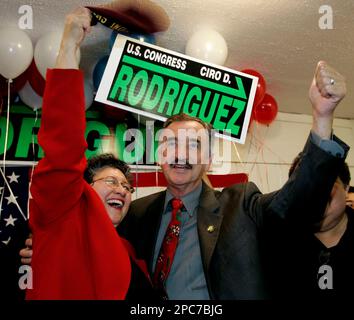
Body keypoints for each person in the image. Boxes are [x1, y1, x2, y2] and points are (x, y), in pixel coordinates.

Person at [21, 8, 350, 300]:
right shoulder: (133, 216)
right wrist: (37, 250)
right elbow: (76, 229)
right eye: (171, 144)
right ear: (159, 153)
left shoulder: (242, 205)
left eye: (194, 145)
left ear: (209, 158)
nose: (181, 154)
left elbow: (298, 204)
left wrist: (322, 118)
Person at [25, 7, 156, 300]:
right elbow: (64, 145)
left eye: (126, 185)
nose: (122, 189)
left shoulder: (130, 253)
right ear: (83, 187)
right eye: (111, 181)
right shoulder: (63, 212)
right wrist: (69, 45)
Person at [264, 155, 354, 298]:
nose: (316, 193)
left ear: (346, 188)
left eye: (326, 183)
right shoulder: (280, 242)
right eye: (305, 186)